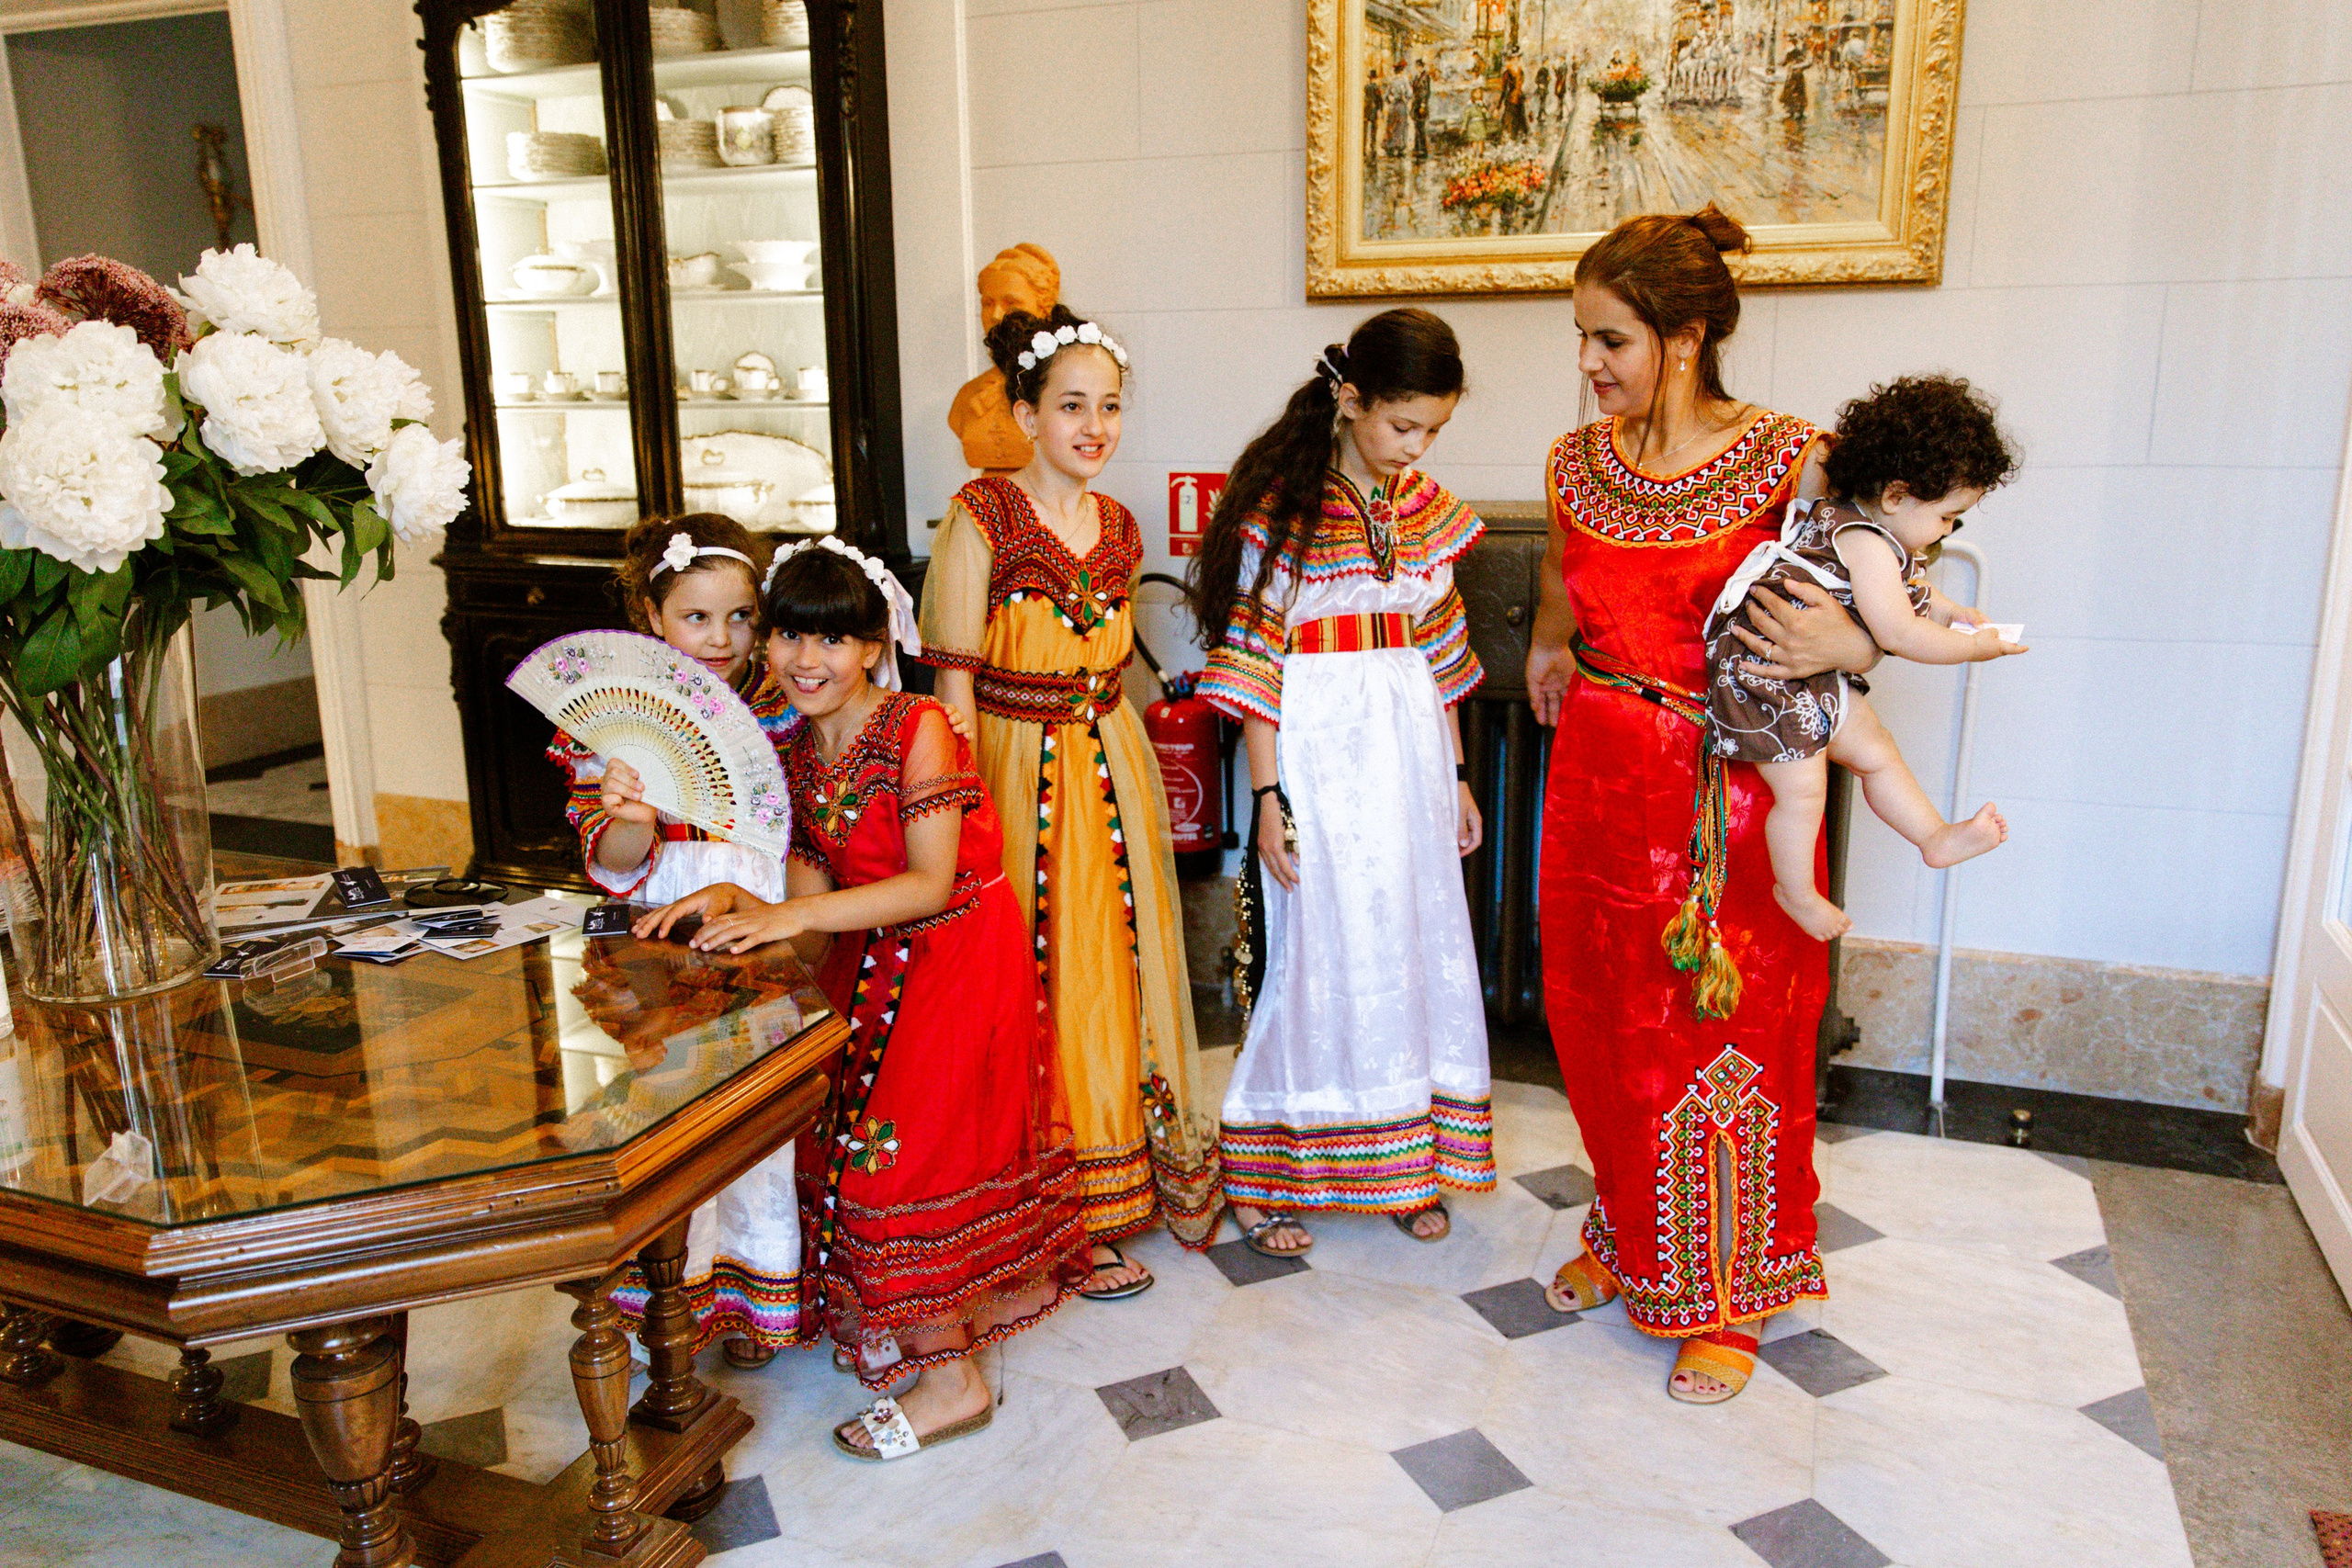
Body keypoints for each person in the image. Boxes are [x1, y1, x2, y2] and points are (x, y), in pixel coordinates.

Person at [1527, 207, 1883, 1404]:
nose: (1589, 363)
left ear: (1683, 338)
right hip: (1591, 774)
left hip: (1725, 792)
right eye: (1582, 336)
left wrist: (1841, 633)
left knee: (1722, 1035)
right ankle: (1630, 1233)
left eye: (1610, 339)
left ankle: (1732, 1289)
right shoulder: (1575, 461)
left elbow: (1874, 603)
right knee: (1596, 1017)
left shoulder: (1794, 457)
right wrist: (1543, 638)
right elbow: (1560, 566)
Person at [640, 540, 1091, 1461]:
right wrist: (739, 909)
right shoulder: (800, 758)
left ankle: (952, 1381)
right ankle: (917, 1327)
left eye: (834, 640)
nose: (808, 661)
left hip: (956, 956)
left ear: (875, 644)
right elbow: (806, 921)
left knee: (905, 1160)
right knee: (847, 1141)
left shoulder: (919, 725)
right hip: (867, 961)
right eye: (791, 637)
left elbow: (928, 883)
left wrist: (785, 913)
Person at [922, 308, 1219, 1301]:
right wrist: (963, 803)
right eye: (1070, 406)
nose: (1093, 426)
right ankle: (1049, 1211)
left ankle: (1121, 1176)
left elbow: (1117, 665)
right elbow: (953, 678)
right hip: (1012, 764)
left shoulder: (1122, 526)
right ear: (1024, 413)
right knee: (1034, 971)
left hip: (1109, 761)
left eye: (1109, 408)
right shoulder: (983, 514)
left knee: (1115, 964)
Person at [1191, 308, 1494, 1258]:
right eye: (1404, 425)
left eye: (1433, 430)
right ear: (1350, 399)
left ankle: (1408, 1159)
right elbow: (1252, 665)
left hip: (1406, 745)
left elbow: (1443, 656)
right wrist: (1268, 799)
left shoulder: (1424, 513)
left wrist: (1455, 776)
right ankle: (1273, 1166)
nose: (1417, 447)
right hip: (1320, 744)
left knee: (1410, 938)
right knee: (1317, 946)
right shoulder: (1280, 511)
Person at [551, 513, 805, 1371]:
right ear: (652, 618)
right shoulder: (618, 723)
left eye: (740, 617)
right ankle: (675, 1290)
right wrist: (631, 814)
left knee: (761, 1115)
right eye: (697, 618)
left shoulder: (787, 698)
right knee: (673, 1108)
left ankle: (755, 1286)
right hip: (664, 935)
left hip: (764, 916)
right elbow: (612, 865)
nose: (722, 638)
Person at [1702, 375, 2024, 943]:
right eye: (1948, 516)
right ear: (1896, 495)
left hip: (1809, 677)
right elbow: (1899, 631)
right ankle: (1795, 892)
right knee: (1803, 790)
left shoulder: (1877, 534)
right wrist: (1974, 647)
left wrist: (1953, 613)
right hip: (1764, 680)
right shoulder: (1864, 540)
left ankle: (1933, 838)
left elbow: (1916, 598)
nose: (1946, 530)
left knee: (1876, 751)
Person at [1411, 57, 1433, 157]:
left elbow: (1426, 91)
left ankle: (1422, 148)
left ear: (1422, 67)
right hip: (1416, 103)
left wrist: (1424, 103)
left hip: (1421, 104)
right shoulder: (1417, 76)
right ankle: (1417, 147)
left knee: (1421, 126)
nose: (1418, 68)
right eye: (1417, 66)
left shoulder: (1425, 77)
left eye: (1419, 66)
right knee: (1417, 126)